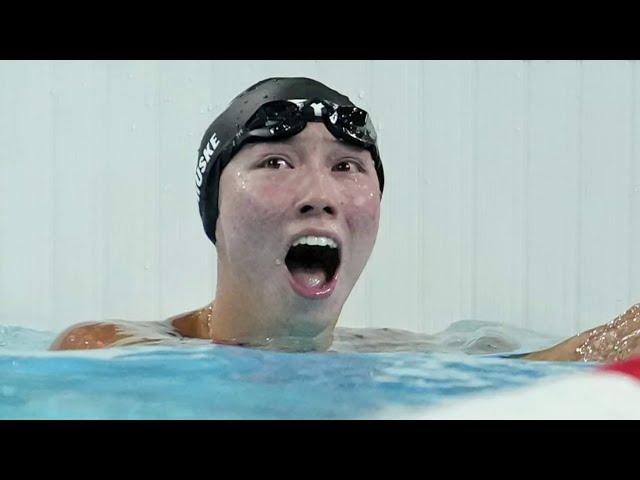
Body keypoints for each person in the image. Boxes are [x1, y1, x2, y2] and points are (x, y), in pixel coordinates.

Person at [49, 77, 640, 362]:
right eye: (276, 162)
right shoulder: (109, 352)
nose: (320, 195)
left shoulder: (398, 356)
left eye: (347, 167)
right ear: (214, 211)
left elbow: (543, 367)